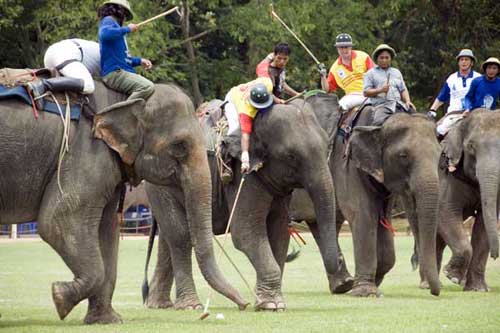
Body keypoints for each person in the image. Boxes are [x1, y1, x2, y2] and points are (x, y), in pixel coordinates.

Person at [98, 0, 155, 101]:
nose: (124, 18)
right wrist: (127, 29)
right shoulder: (109, 20)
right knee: (147, 87)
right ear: (119, 11)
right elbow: (104, 34)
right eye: (125, 14)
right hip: (115, 73)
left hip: (121, 72)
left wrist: (139, 61)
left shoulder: (118, 31)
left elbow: (125, 60)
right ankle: (125, 113)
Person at [223, 77, 274, 179]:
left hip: (246, 91)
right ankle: (227, 160)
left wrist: (279, 100)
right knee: (234, 129)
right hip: (232, 99)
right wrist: (245, 160)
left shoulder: (268, 83)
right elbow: (245, 137)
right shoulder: (245, 112)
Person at [27, 39, 100, 107]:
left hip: (53, 53)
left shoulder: (101, 47)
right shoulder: (109, 53)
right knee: (89, 85)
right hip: (65, 54)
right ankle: (41, 85)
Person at [428, 49, 481, 136]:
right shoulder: (451, 78)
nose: (464, 62)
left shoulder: (478, 78)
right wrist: (432, 110)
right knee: (436, 133)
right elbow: (442, 97)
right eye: (461, 59)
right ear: (458, 62)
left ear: (471, 63)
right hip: (454, 114)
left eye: (466, 59)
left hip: (473, 113)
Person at [319, 33, 375, 112]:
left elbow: (376, 75)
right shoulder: (334, 68)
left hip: (370, 93)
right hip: (352, 97)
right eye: (341, 48)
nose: (344, 50)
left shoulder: (363, 56)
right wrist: (323, 76)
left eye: (346, 47)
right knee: (339, 108)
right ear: (337, 49)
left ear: (351, 47)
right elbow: (327, 90)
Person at [363, 44, 415, 125]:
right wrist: (381, 90)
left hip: (399, 104)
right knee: (378, 123)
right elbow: (366, 92)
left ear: (391, 59)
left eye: (387, 58)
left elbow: (403, 89)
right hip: (382, 106)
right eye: (381, 58)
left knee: (418, 120)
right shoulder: (370, 73)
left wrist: (408, 101)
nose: (384, 60)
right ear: (377, 59)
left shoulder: (396, 72)